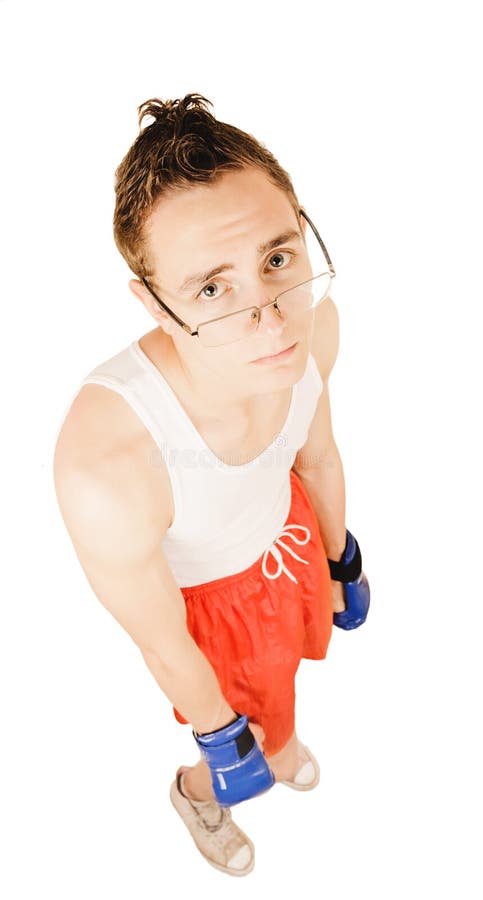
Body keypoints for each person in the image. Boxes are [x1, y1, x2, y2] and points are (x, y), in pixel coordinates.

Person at [53, 93, 369, 877]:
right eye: (210, 289)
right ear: (154, 303)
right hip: (210, 608)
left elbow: (316, 455)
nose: (271, 318)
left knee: (286, 679)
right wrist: (216, 737)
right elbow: (159, 637)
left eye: (275, 258)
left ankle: (281, 734)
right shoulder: (108, 461)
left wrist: (341, 558)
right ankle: (200, 791)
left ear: (299, 229)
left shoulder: (314, 327)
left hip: (289, 543)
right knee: (246, 725)